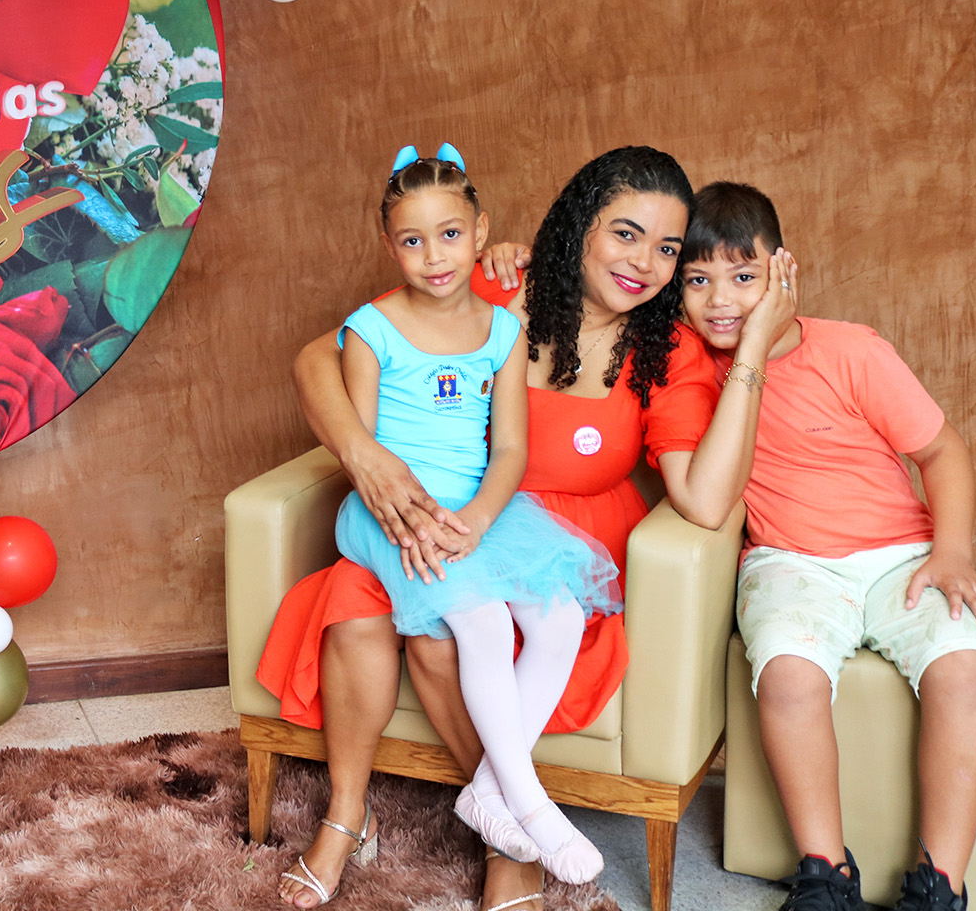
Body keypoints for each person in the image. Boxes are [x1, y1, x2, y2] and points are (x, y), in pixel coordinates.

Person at [260, 146, 797, 911]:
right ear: (581, 227)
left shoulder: (666, 351)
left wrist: (752, 352)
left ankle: (502, 831)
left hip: (545, 546)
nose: (643, 263)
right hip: (433, 516)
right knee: (360, 604)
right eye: (625, 234)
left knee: (449, 631)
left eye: (666, 248)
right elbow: (323, 357)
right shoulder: (492, 283)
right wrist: (364, 458)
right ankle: (354, 818)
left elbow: (708, 504)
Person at [279, 144, 626, 906]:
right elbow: (363, 453)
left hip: (478, 507)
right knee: (483, 623)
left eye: (449, 234)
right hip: (391, 511)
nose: (434, 256)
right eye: (412, 240)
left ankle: (488, 796)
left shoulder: (503, 332)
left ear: (480, 232)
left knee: (562, 616)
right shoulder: (372, 329)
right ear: (388, 245)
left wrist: (476, 518)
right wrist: (420, 522)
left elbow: (510, 451)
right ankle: (529, 805)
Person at [675, 182, 976, 911]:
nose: (720, 300)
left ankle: (939, 886)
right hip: (789, 561)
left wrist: (950, 551)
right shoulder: (693, 370)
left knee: (969, 667)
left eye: (744, 276)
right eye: (697, 280)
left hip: (901, 556)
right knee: (788, 675)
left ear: (783, 272)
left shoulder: (849, 350)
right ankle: (825, 873)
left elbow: (942, 451)